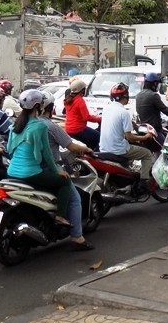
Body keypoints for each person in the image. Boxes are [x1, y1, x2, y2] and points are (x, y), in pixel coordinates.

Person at [6, 89, 75, 231]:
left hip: (11, 171)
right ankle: (60, 216)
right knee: (65, 182)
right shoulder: (40, 126)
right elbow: (47, 154)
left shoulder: (15, 125)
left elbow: (9, 150)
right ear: (37, 106)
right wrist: (57, 170)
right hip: (31, 172)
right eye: (42, 103)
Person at [39, 93, 94, 249]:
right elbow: (70, 146)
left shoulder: (24, 125)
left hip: (19, 168)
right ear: (50, 108)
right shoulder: (49, 126)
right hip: (45, 168)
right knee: (74, 199)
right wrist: (87, 149)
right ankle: (76, 236)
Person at [99, 83, 155, 180]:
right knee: (147, 154)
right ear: (126, 96)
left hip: (104, 148)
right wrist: (145, 137)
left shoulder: (106, 109)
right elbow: (129, 137)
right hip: (118, 150)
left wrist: (132, 123)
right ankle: (144, 181)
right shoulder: (124, 113)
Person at [135, 72, 168, 145]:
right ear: (154, 83)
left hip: (143, 129)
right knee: (166, 147)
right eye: (157, 83)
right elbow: (164, 109)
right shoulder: (153, 95)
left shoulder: (138, 95)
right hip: (154, 131)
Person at [63, 78, 101, 149]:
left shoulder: (69, 99)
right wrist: (99, 119)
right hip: (78, 129)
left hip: (69, 129)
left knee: (90, 140)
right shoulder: (79, 100)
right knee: (99, 137)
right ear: (82, 90)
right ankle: (97, 157)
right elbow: (86, 117)